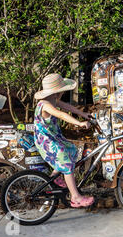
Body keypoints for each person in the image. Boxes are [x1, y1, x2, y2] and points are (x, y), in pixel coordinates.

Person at [34, 73, 95, 208]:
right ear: (57, 92)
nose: (62, 94)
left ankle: (55, 177)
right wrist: (79, 124)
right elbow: (61, 114)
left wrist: (83, 114)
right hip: (46, 140)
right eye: (62, 92)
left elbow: (67, 107)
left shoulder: (53, 100)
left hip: (53, 137)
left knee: (72, 150)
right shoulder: (45, 105)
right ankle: (76, 197)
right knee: (66, 161)